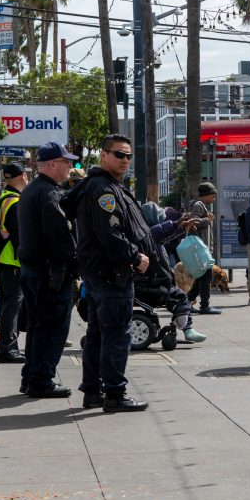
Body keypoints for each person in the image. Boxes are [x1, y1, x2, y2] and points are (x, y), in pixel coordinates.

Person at [63, 134, 150, 412]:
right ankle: (115, 394)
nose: (124, 160)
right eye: (118, 154)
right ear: (103, 155)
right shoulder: (104, 190)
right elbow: (110, 233)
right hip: (111, 273)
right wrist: (135, 257)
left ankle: (92, 391)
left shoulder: (102, 185)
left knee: (99, 333)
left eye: (127, 155)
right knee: (116, 334)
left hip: (99, 272)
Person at [16, 145, 77, 398]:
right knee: (52, 328)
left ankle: (32, 377)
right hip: (49, 274)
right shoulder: (48, 194)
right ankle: (41, 380)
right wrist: (76, 266)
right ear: (52, 164)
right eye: (66, 162)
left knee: (39, 326)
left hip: (35, 270)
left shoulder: (33, 191)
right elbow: (60, 238)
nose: (70, 167)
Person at [138, 202, 206, 343]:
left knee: (177, 296)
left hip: (152, 282)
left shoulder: (149, 237)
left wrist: (181, 227)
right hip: (150, 285)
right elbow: (160, 232)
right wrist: (176, 225)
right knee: (180, 297)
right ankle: (186, 328)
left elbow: (166, 235)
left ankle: (185, 326)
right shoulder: (147, 235)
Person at [0, 162, 29, 364]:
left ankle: (8, 347)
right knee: (11, 306)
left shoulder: (5, 198)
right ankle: (8, 349)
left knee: (9, 304)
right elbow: (20, 235)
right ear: (22, 176)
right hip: (13, 260)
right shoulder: (14, 201)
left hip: (5, 259)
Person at [187, 182, 222, 315]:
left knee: (202, 277)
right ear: (206, 195)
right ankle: (204, 305)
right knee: (206, 277)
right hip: (201, 248)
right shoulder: (198, 205)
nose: (213, 199)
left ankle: (187, 301)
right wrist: (207, 219)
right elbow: (193, 221)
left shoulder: (201, 205)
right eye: (212, 196)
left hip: (202, 248)